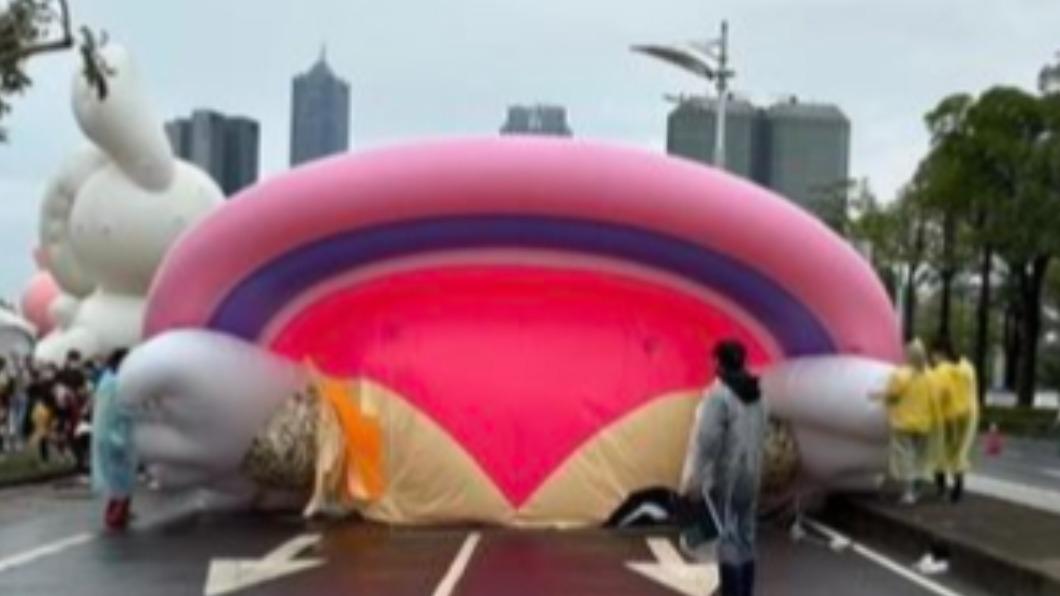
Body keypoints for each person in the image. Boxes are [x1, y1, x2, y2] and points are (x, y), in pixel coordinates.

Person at [684, 340, 767, 596]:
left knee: (728, 540)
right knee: (746, 537)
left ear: (719, 362)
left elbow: (707, 441)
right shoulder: (757, 392)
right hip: (752, 473)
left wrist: (697, 480)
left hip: (726, 477)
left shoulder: (719, 395)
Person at [877, 339, 943, 505]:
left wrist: (876, 396)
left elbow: (891, 395)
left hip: (903, 423)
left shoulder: (901, 375)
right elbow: (936, 400)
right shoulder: (931, 376)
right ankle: (917, 490)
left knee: (905, 458)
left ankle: (908, 492)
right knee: (920, 458)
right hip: (924, 423)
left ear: (908, 355)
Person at [91, 349, 136, 531]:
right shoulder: (117, 384)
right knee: (122, 479)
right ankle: (116, 517)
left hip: (107, 434)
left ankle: (116, 513)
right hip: (116, 436)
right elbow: (123, 410)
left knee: (115, 479)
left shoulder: (106, 380)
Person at [930, 339, 979, 503]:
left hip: (948, 416)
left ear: (941, 353)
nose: (932, 359)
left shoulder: (942, 370)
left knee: (940, 450)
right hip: (969, 413)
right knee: (960, 451)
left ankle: (941, 486)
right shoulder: (967, 367)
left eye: (934, 355)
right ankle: (957, 487)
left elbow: (936, 393)